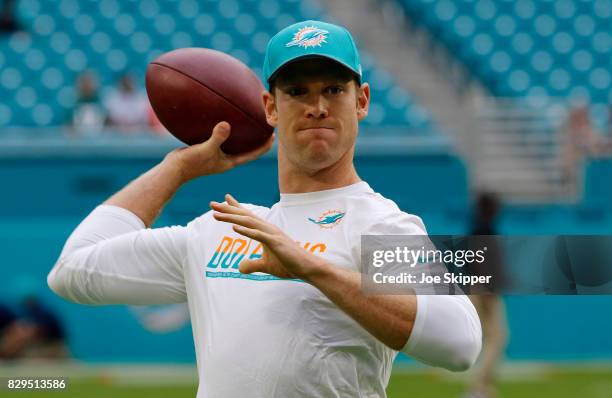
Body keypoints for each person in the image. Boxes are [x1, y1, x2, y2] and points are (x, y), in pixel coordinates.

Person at [48, 20, 482, 397]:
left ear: (362, 101)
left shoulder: (379, 225)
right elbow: (72, 271)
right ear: (270, 107)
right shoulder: (224, 229)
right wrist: (177, 167)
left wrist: (312, 268)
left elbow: (460, 343)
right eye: (296, 91)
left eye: (334, 89)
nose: (317, 106)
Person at [464, 192, 508, 398]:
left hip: (476, 287)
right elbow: (479, 261)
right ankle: (478, 388)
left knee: (486, 339)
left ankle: (481, 387)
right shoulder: (484, 229)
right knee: (497, 338)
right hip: (484, 289)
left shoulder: (476, 227)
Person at [68, 71, 106, 136]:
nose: (87, 86)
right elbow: (69, 126)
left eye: (89, 83)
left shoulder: (100, 103)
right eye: (84, 83)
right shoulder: (74, 104)